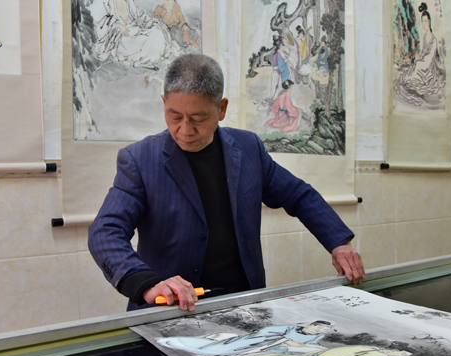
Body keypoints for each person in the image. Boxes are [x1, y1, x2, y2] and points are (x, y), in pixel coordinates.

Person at [88, 54, 364, 312]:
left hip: (244, 307)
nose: (185, 130)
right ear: (164, 103)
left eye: (198, 118)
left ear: (221, 109)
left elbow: (297, 195)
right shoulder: (140, 159)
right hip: (170, 312)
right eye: (175, 116)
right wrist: (146, 283)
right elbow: (105, 231)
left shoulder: (248, 148)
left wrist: (338, 242)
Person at [156, 321, 333, 356]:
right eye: (317, 326)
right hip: (171, 294)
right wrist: (142, 279)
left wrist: (339, 242)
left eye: (321, 330)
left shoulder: (316, 337)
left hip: (243, 283)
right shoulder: (290, 328)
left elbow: (308, 347)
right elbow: (267, 333)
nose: (317, 330)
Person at [92, 0, 177, 69]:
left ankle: (146, 60)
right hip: (120, 38)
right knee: (145, 41)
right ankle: (142, 61)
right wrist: (119, 25)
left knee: (157, 33)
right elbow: (101, 22)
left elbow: (140, 16)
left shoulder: (129, 2)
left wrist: (154, 23)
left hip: (135, 32)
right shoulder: (106, 2)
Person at [393, 2, 445, 108]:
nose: (424, 24)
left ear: (429, 22)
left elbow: (429, 58)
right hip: (423, 62)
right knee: (411, 71)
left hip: (429, 67)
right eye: (423, 21)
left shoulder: (434, 40)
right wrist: (419, 57)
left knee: (417, 68)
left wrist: (420, 61)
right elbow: (424, 53)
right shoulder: (425, 36)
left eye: (426, 21)